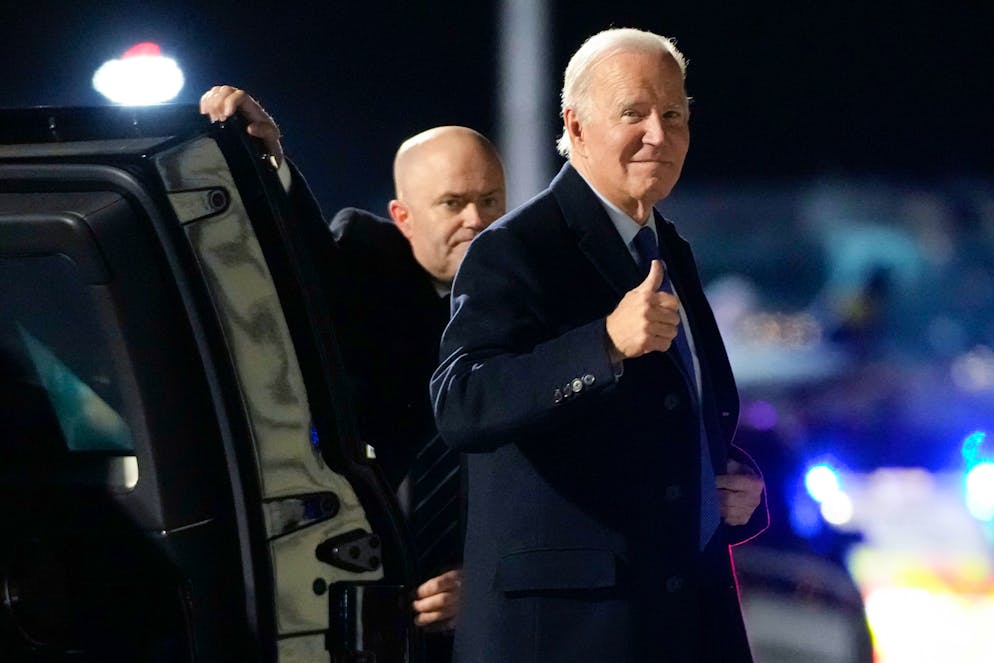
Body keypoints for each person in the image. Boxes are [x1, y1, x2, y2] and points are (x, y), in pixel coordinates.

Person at [429, 27, 768, 662]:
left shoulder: (670, 251)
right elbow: (463, 401)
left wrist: (733, 488)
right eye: (634, 113)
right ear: (577, 127)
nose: (659, 135)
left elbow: (675, 423)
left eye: (673, 114)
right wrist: (604, 344)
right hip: (568, 635)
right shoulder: (514, 248)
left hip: (681, 620)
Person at [200, 86, 505, 659]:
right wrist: (269, 156)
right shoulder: (369, 266)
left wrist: (491, 582)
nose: (477, 220)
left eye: (491, 200)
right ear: (402, 217)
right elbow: (309, 267)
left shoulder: (534, 302)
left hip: (497, 617)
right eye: (453, 203)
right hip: (359, 597)